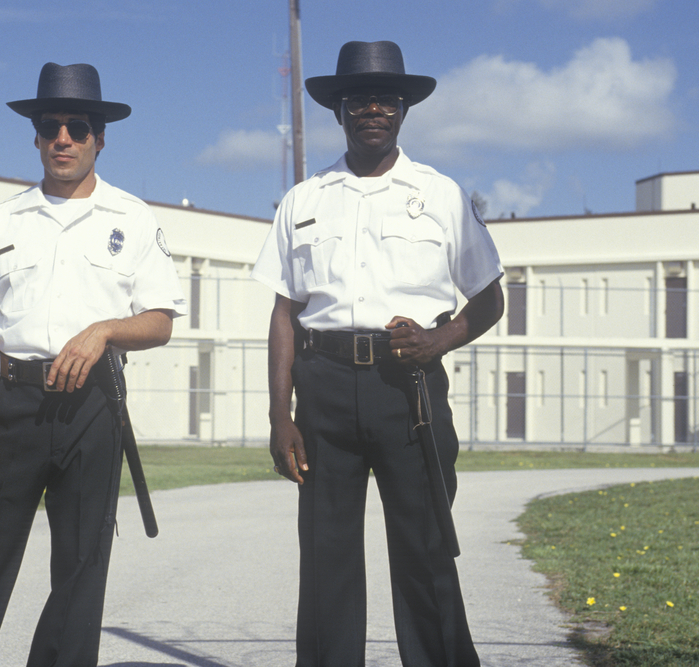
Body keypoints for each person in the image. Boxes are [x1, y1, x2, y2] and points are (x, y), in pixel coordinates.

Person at [251, 41, 504, 667]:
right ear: (339, 110)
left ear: (403, 110)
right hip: (324, 389)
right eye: (359, 98)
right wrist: (281, 416)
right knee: (327, 559)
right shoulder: (303, 200)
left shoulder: (440, 194)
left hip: (407, 391)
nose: (373, 108)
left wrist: (438, 340)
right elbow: (284, 312)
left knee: (425, 551)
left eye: (386, 98)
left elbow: (490, 298)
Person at [0, 62, 187, 667]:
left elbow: (160, 320)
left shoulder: (132, 218)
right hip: (14, 405)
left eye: (78, 126)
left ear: (100, 136)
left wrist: (104, 331)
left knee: (79, 570)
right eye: (51, 126)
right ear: (37, 135)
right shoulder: (4, 220)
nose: (63, 139)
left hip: (93, 408)